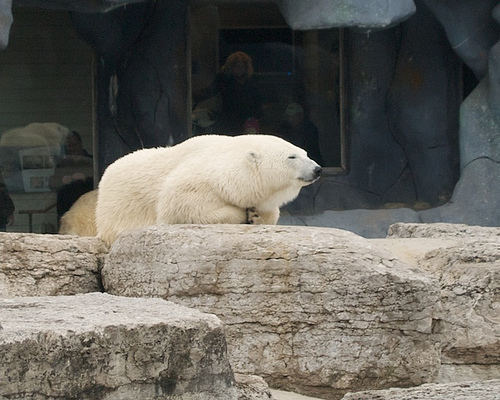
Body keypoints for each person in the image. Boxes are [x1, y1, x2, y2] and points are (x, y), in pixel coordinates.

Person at [193, 51, 263, 135]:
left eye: (242, 67)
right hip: (229, 119)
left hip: (247, 120)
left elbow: (258, 99)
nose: (240, 69)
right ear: (231, 67)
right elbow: (209, 91)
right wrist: (192, 97)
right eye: (237, 66)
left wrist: (257, 116)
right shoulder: (223, 80)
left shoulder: (251, 81)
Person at [49, 131, 93, 224]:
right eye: (69, 146)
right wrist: (62, 180)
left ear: (81, 144)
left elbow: (101, 181)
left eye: (74, 145)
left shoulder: (92, 161)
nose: (72, 148)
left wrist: (86, 178)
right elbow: (52, 184)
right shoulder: (62, 163)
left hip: (87, 207)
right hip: (66, 208)